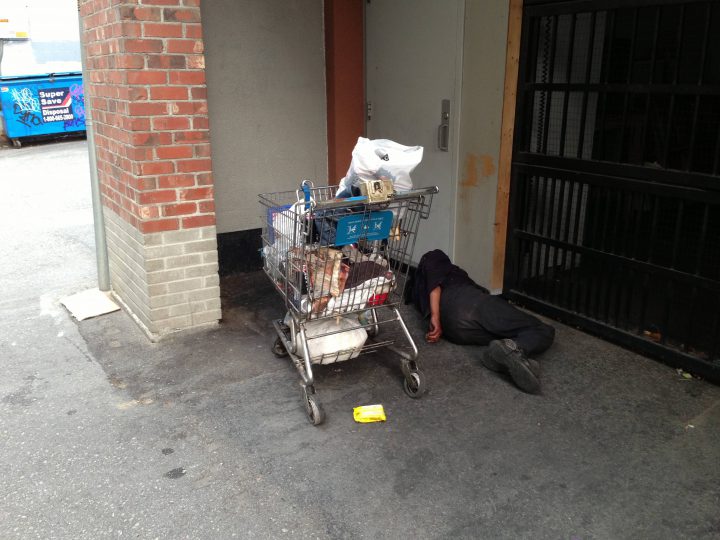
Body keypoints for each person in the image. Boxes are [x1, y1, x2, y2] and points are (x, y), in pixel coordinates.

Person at [408, 249, 554, 393]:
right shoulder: (433, 257)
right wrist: (435, 316)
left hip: (454, 331)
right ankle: (514, 351)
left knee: (507, 335)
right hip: (466, 302)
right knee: (543, 329)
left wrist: (435, 317)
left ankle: (506, 356)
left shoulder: (416, 291)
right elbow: (434, 282)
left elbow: (432, 285)